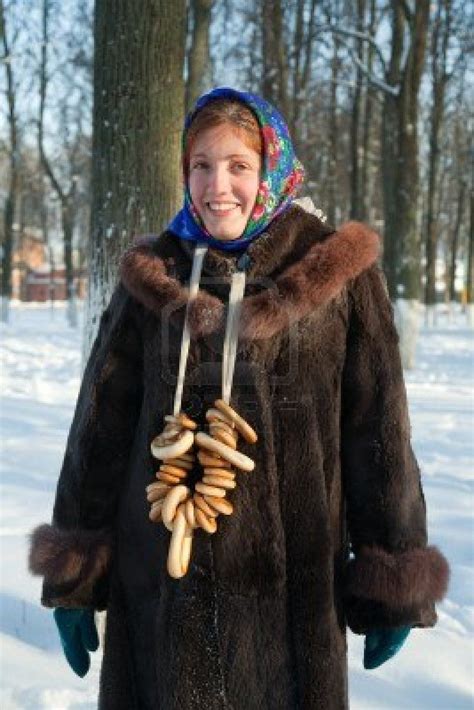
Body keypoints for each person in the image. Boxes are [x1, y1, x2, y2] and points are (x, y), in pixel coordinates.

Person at [29, 87, 449, 710]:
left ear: (271, 170)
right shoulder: (154, 277)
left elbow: (377, 433)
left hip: (291, 607)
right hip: (159, 600)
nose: (216, 185)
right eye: (201, 165)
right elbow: (99, 427)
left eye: (238, 166)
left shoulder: (335, 274)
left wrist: (395, 570)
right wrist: (75, 574)